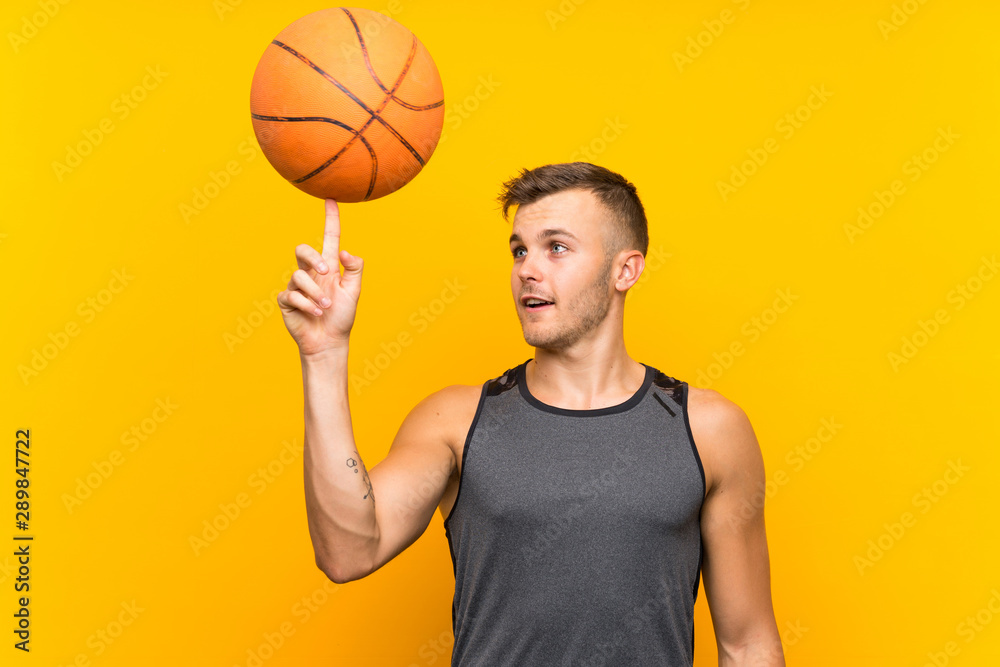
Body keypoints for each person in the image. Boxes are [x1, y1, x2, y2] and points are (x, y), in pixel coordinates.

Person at [277, 162, 785, 666]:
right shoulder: (455, 421)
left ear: (624, 270)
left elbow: (748, 646)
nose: (527, 269)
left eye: (556, 247)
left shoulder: (709, 429)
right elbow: (347, 552)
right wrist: (323, 357)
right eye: (519, 250)